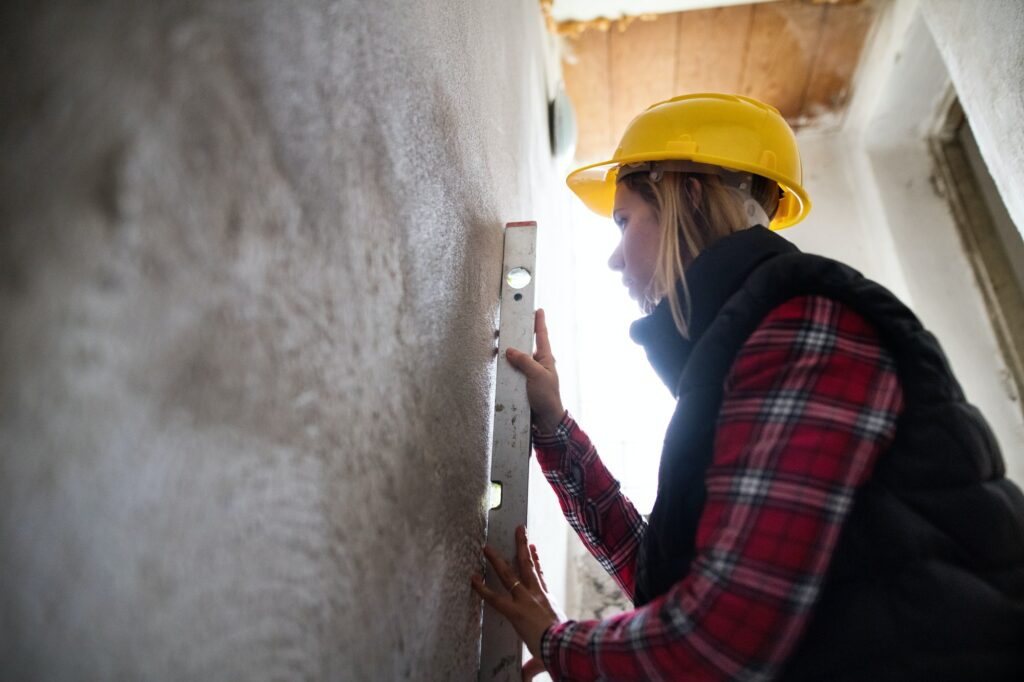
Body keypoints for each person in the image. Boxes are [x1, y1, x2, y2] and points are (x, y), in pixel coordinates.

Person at [471, 93, 1024, 681]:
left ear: (685, 194)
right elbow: (677, 574)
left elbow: (718, 640)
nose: (614, 259)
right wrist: (554, 429)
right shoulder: (754, 345)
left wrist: (558, 644)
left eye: (625, 220)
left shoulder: (805, 328)